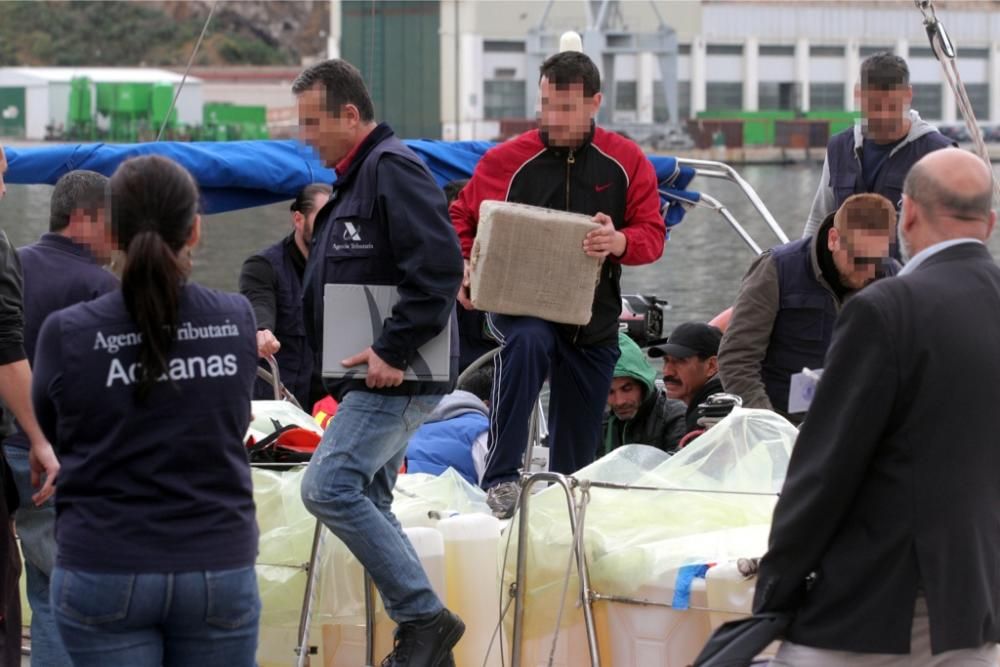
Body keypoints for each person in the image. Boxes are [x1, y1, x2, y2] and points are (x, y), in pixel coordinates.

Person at [753, 147, 1000, 665]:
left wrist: (775, 587)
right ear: (991, 223)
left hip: (875, 603)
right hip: (978, 599)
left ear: (907, 212)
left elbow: (826, 468)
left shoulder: (885, 310)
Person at [32, 155, 260, 667]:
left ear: (110, 232)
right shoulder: (237, 318)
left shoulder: (67, 333)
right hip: (216, 565)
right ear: (196, 230)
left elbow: (53, 429)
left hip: (105, 565)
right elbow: (233, 419)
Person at [293, 59, 465, 666]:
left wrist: (393, 348)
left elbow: (441, 267)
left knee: (329, 486)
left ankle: (425, 619)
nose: (303, 135)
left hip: (394, 375)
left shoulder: (391, 170)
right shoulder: (355, 178)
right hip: (371, 376)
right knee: (372, 496)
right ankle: (429, 650)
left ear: (349, 114)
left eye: (313, 122)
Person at [450, 50, 666, 518]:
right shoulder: (505, 161)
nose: (554, 117)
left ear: (595, 104)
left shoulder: (626, 161)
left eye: (566, 108)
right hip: (517, 305)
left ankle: (569, 520)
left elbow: (652, 237)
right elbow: (459, 216)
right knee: (529, 340)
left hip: (593, 319)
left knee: (576, 465)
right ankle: (502, 477)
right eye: (546, 104)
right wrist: (464, 264)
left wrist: (619, 240)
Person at [5, 170, 118, 667]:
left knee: (31, 588)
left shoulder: (13, 262)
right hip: (56, 460)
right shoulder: (104, 289)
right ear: (84, 219)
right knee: (60, 596)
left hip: (8, 447)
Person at [718, 193, 897, 424]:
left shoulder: (892, 278)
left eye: (877, 259)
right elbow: (737, 357)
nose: (869, 272)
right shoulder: (776, 270)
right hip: (784, 423)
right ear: (833, 239)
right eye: (859, 259)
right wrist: (768, 426)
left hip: (857, 426)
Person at [0, 143, 60, 666]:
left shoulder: (21, 259)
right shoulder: (103, 287)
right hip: (33, 453)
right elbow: (6, 351)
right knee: (46, 587)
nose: (2, 189)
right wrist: (39, 438)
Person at [803, 52, 953, 243]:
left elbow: (954, 236)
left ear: (908, 95)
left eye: (892, 106)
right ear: (858, 95)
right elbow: (819, 219)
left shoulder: (940, 154)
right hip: (846, 272)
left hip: (909, 273)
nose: (883, 116)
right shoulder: (839, 148)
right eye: (873, 106)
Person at [239, 183, 331, 410]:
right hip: (276, 403)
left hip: (327, 406)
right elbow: (259, 302)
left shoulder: (346, 267)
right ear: (298, 220)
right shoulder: (262, 266)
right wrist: (262, 330)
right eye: (323, 218)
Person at [601, 332, 685, 457]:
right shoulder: (600, 423)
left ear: (643, 384)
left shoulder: (675, 418)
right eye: (610, 392)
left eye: (627, 389)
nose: (619, 401)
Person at [406, 366, 493, 486]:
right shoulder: (485, 433)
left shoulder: (411, 420)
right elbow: (500, 493)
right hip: (438, 500)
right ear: (487, 405)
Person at [647, 321, 724, 437]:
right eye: (666, 361)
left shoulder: (711, 414)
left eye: (679, 361)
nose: (667, 371)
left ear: (712, 366)